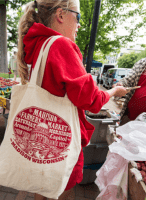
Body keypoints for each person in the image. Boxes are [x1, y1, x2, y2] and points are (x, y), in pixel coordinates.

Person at [16, 0, 128, 200]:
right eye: (78, 17)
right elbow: (91, 99)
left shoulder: (38, 44)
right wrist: (113, 92)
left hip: (39, 133)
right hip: (61, 138)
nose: (79, 25)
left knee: (42, 186)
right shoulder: (61, 45)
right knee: (61, 190)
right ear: (60, 14)